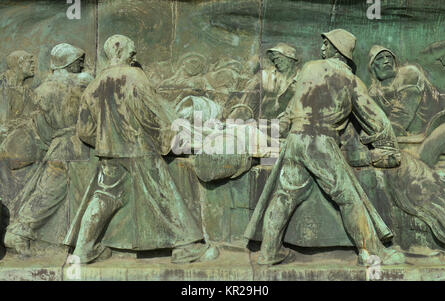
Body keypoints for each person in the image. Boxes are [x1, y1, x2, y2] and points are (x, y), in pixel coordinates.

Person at [244, 29, 405, 266]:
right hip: (320, 141)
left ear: (336, 48)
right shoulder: (350, 80)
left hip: (296, 140)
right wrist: (388, 147)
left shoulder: (308, 68)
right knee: (348, 198)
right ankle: (372, 252)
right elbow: (375, 117)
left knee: (284, 196)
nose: (321, 48)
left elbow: (290, 111)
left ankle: (268, 252)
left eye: (326, 44)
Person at [64, 35, 217, 264]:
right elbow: (152, 115)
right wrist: (170, 139)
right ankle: (186, 248)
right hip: (140, 149)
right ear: (118, 51)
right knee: (164, 194)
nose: (134, 56)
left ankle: (82, 250)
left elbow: (84, 130)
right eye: (131, 52)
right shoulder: (135, 77)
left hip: (109, 152)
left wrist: (106, 141)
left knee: (103, 197)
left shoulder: (95, 84)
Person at [3, 43, 94, 255]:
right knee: (60, 193)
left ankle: (21, 232)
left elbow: (40, 127)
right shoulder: (85, 85)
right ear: (69, 63)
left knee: (48, 192)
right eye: (78, 62)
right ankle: (20, 233)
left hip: (57, 147)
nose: (82, 65)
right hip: (80, 149)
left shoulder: (42, 90)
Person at [0, 50, 36, 135]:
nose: (33, 66)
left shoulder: (27, 92)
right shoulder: (2, 84)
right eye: (30, 63)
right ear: (20, 63)